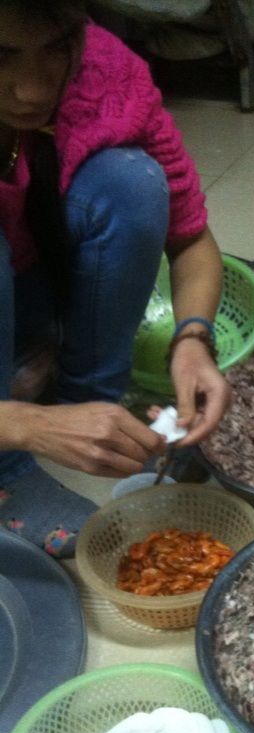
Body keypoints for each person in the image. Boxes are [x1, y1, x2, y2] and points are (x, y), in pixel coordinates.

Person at [0, 0, 232, 557]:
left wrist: (193, 342)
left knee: (132, 183)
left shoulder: (106, 73)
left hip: (33, 287)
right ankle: (7, 469)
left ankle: (87, 398)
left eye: (57, 47)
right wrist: (23, 427)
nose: (34, 89)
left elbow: (191, 241)